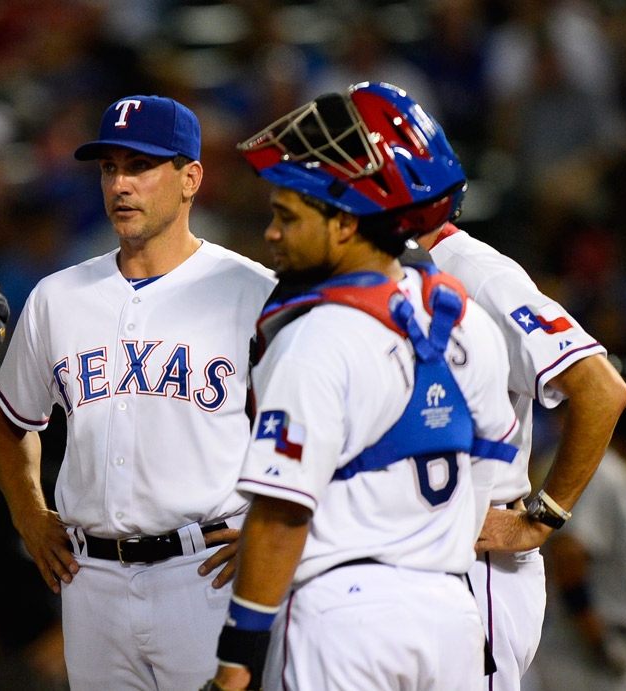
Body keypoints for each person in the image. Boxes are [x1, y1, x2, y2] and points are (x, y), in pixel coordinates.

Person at [204, 83, 521, 691]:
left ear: (345, 224)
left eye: (288, 216)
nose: (272, 234)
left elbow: (278, 516)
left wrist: (235, 664)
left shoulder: (316, 338)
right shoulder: (469, 322)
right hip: (453, 615)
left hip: (343, 617)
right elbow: (493, 472)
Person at [0, 94, 277, 690]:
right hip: (90, 580)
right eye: (109, 167)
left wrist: (268, 528)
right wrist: (29, 515)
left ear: (190, 177)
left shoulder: (252, 292)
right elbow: (10, 421)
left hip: (207, 574)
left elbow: (314, 429)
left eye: (140, 166)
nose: (121, 184)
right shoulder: (57, 296)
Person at [416, 187, 626, 690]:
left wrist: (542, 518)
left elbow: (601, 389)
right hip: (411, 546)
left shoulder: (476, 272)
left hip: (477, 558)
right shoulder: (381, 274)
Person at [530, 354, 626, 691]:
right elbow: (569, 554)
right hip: (584, 652)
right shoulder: (600, 469)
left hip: (598, 644)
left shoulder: (611, 466)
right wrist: (597, 637)